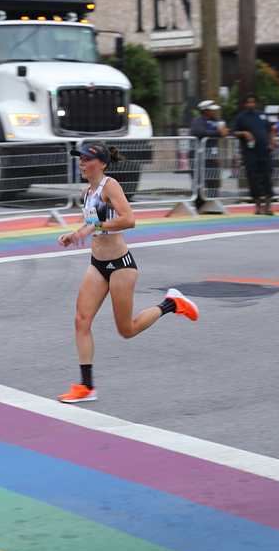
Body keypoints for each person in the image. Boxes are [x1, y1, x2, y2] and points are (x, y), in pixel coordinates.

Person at [55, 142, 199, 404]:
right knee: (81, 320)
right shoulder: (87, 191)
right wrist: (74, 233)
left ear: (101, 163)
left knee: (127, 330)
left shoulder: (110, 185)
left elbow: (129, 219)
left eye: (86, 159)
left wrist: (92, 226)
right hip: (98, 264)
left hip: (121, 265)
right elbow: (93, 223)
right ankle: (86, 386)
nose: (81, 163)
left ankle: (171, 303)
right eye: (80, 159)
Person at [233, 94, 276, 215]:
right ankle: (258, 206)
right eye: (248, 102)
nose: (251, 104)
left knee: (267, 177)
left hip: (265, 152)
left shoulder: (262, 115)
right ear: (245, 104)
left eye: (253, 102)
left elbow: (271, 129)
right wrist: (244, 133)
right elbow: (234, 132)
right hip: (250, 153)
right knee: (253, 178)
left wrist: (272, 142)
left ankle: (268, 206)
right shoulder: (241, 117)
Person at [190, 99, 229, 209]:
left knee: (213, 180)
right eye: (211, 110)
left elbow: (224, 131)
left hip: (212, 156)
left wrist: (224, 131)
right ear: (205, 110)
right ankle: (199, 205)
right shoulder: (197, 121)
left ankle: (212, 203)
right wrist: (218, 133)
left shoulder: (217, 121)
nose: (214, 112)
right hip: (198, 157)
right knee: (198, 182)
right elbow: (200, 132)